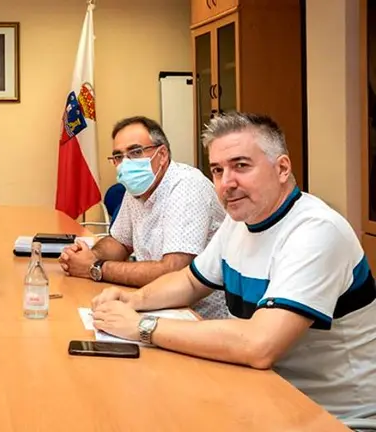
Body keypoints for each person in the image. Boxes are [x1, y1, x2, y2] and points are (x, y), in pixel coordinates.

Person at [91, 112, 376, 416]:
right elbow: (189, 281)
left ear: (282, 169)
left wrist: (142, 326)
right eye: (217, 170)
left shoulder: (316, 231)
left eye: (241, 166)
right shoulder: (240, 222)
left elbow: (259, 345)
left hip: (331, 415)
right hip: (259, 392)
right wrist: (133, 300)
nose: (226, 183)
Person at [60, 116, 228, 319]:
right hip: (154, 304)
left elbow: (173, 271)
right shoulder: (138, 189)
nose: (125, 163)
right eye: (118, 157)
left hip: (201, 318)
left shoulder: (186, 186)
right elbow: (119, 242)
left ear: (162, 154)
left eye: (136, 152)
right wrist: (87, 256)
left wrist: (96, 268)